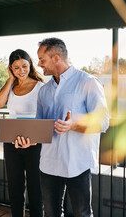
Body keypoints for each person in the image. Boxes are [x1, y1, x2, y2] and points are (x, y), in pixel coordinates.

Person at [17, 38, 109, 217]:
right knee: (51, 213)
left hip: (77, 163)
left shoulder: (87, 82)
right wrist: (29, 141)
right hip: (49, 164)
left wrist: (73, 124)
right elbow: (39, 127)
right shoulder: (44, 91)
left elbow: (103, 121)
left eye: (42, 60)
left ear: (56, 58)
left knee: (82, 213)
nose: (39, 64)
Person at [0, 49, 44, 217]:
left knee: (35, 189)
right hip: (12, 143)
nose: (21, 71)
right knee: (15, 188)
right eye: (16, 68)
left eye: (24, 66)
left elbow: (46, 115)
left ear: (30, 65)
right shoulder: (12, 86)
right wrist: (10, 80)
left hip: (34, 144)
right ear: (10, 69)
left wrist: (35, 139)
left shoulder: (40, 87)